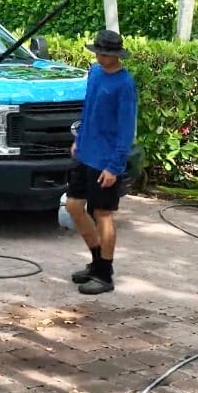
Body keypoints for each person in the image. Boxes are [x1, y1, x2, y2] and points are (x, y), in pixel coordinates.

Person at [67, 29, 138, 295]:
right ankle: (96, 263)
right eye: (97, 51)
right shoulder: (95, 73)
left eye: (104, 53)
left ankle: (105, 274)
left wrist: (114, 166)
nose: (99, 56)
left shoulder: (124, 84)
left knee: (102, 214)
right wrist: (79, 140)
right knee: (74, 206)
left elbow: (126, 127)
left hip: (107, 159)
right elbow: (89, 109)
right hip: (86, 152)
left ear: (115, 55)